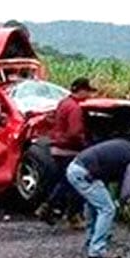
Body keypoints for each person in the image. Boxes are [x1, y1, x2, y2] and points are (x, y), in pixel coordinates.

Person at [66, 138, 130, 258]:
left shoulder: (128, 147)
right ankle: (97, 250)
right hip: (85, 173)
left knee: (94, 207)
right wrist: (125, 203)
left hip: (76, 167)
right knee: (108, 209)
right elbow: (127, 189)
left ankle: (91, 242)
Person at [36, 77, 97, 225]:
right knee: (73, 182)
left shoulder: (63, 103)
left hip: (57, 148)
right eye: (88, 92)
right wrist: (86, 145)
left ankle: (59, 210)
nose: (89, 95)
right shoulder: (75, 108)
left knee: (65, 181)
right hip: (69, 150)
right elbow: (75, 133)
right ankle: (58, 210)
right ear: (81, 90)